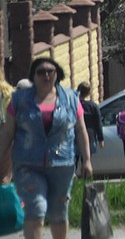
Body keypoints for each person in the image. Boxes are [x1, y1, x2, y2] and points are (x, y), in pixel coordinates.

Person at [0, 58, 92, 239]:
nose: (46, 75)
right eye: (40, 72)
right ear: (33, 76)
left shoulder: (71, 99)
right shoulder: (19, 101)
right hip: (28, 164)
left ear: (57, 74)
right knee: (36, 208)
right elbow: (8, 132)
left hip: (62, 164)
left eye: (50, 71)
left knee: (58, 212)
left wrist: (87, 160)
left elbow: (81, 130)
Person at [77, 82, 104, 157]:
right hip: (90, 135)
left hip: (76, 136)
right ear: (89, 92)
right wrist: (100, 139)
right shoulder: (93, 106)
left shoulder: (75, 105)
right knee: (86, 159)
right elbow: (98, 123)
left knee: (74, 160)